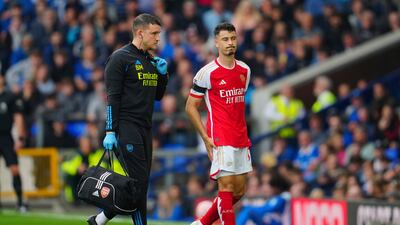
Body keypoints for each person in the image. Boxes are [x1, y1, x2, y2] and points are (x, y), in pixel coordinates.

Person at [86, 13, 169, 225]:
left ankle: (99, 220)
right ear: (140, 33)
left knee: (139, 184)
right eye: (154, 33)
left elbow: (158, 95)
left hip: (145, 128)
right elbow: (112, 97)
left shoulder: (151, 60)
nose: (158, 38)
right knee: (139, 185)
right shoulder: (120, 58)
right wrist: (110, 131)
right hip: (126, 128)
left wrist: (163, 75)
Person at [186, 22, 252, 225]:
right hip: (220, 137)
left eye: (233, 38)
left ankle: (201, 223)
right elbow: (190, 107)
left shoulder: (245, 70)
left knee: (239, 191)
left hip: (241, 137)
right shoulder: (207, 73)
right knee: (226, 188)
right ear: (216, 42)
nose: (230, 43)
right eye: (225, 39)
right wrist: (205, 138)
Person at [0, 75, 27, 212]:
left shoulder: (10, 97)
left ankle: (20, 202)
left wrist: (20, 138)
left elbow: (18, 117)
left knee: (14, 169)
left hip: (5, 137)